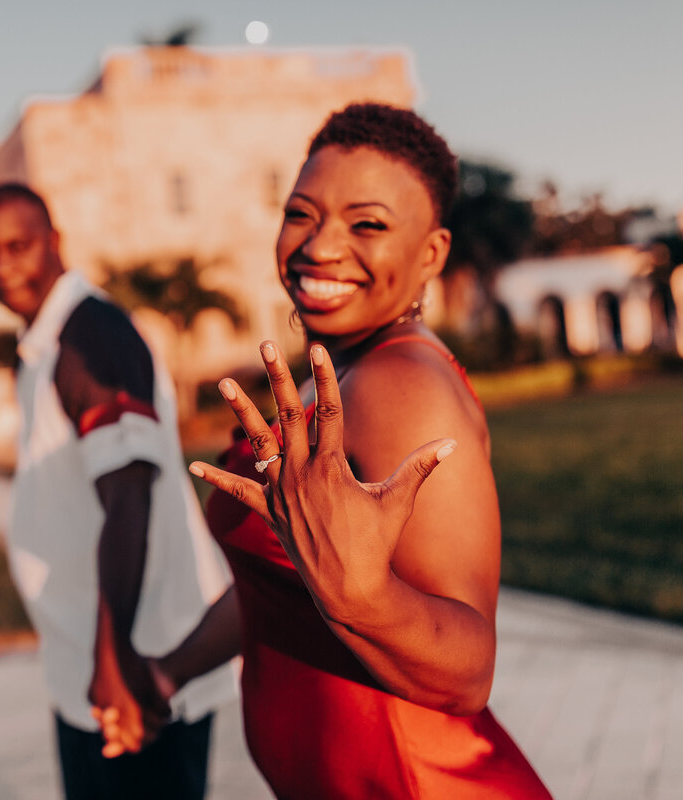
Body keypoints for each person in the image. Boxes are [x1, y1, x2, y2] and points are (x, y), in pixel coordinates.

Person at [97, 104, 552, 798]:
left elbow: (468, 673)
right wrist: (168, 672)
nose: (320, 246)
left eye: (367, 224)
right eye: (302, 214)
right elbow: (282, 582)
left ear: (430, 254)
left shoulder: (401, 385)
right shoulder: (340, 375)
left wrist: (364, 596)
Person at [0, 182, 235, 800]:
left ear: (55, 243)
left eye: (19, 246)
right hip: (84, 667)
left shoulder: (92, 337)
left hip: (135, 670)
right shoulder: (44, 343)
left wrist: (114, 659)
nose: (3, 266)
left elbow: (129, 495)